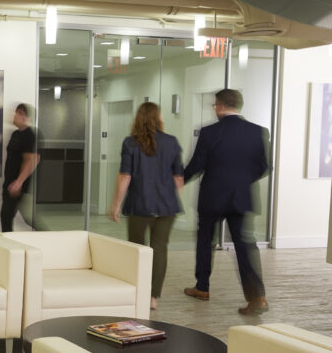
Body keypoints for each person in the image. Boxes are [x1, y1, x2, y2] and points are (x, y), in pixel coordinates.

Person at [183, 89, 269, 315]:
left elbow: (197, 164)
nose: (214, 108)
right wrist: (241, 181)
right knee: (245, 245)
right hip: (241, 196)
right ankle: (257, 297)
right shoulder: (258, 131)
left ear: (220, 106)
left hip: (212, 195)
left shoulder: (210, 132)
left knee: (205, 241)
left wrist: (179, 178)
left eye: (215, 105)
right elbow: (264, 166)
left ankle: (202, 287)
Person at [108, 102, 184, 311]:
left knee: (138, 249)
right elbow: (179, 178)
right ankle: (153, 298)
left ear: (138, 118)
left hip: (140, 205)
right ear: (159, 118)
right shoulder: (171, 142)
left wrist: (115, 205)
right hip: (167, 206)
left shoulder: (131, 143)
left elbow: (125, 176)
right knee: (160, 249)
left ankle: (138, 291)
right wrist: (170, 196)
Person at [1, 103, 40, 232]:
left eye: (19, 113)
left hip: (17, 186)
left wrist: (18, 182)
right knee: (20, 218)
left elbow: (32, 160)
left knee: (6, 216)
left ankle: (51, 238)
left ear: (25, 117)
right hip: (10, 184)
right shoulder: (15, 134)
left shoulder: (30, 135)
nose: (14, 115)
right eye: (15, 112)